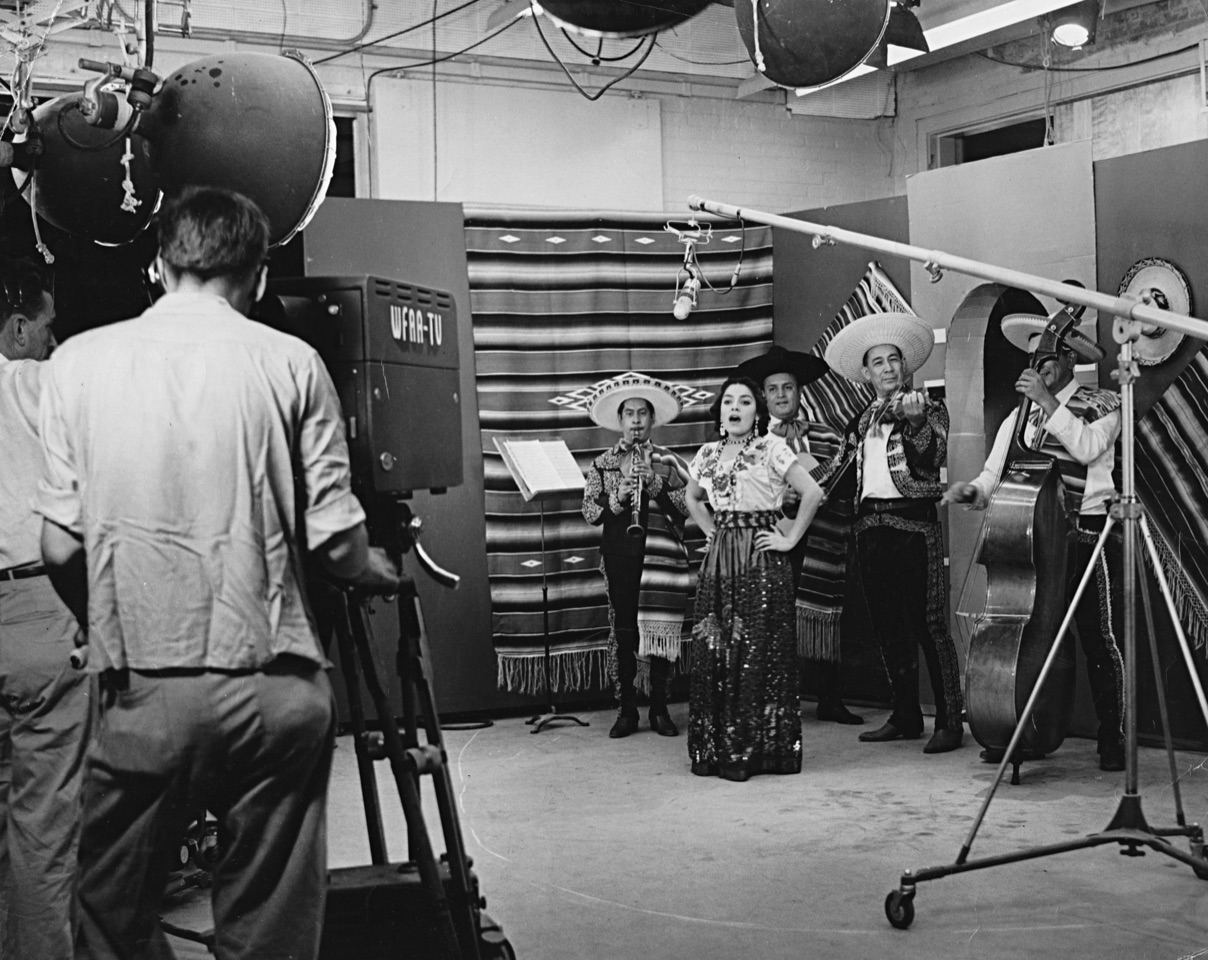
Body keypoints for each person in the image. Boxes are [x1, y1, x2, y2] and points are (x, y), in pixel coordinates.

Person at [34, 187, 400, 960]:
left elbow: (60, 547)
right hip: (274, 685)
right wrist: (376, 563)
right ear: (259, 276)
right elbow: (338, 547)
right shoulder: (292, 363)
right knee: (269, 921)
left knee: (111, 915)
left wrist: (100, 625)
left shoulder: (76, 365)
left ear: (159, 266)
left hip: (142, 688)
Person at [944, 309, 1124, 772]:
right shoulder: (1016, 416)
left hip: (1087, 536)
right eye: (1033, 355)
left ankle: (1114, 735)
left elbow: (1084, 447)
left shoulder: (1103, 403)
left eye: (1046, 355)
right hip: (1033, 541)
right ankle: (1017, 727)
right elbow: (994, 472)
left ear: (1067, 359)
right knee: (1030, 637)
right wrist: (975, 492)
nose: (1037, 363)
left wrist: (1048, 402)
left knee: (1099, 637)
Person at [816, 312, 965, 754]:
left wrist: (916, 424)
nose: (887, 369)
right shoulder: (860, 419)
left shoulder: (928, 408)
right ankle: (905, 716)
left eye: (894, 360)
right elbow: (838, 469)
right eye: (878, 362)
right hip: (869, 529)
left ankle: (950, 721)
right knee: (887, 627)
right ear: (866, 373)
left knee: (930, 624)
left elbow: (931, 454)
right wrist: (794, 487)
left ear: (906, 366)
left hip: (914, 525)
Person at [0, 261, 91, 960]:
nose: (55, 342)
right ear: (19, 327)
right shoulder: (41, 385)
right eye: (49, 327)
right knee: (42, 829)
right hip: (35, 612)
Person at [684, 376, 824, 780]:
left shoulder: (771, 448)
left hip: (761, 557)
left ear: (757, 412)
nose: (736, 408)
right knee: (717, 648)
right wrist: (710, 530)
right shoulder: (708, 452)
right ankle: (718, 749)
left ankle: (758, 751)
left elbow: (812, 492)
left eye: (745, 401)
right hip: (721, 559)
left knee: (758, 651)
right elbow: (693, 497)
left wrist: (791, 538)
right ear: (720, 411)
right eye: (729, 401)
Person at [736, 345, 863, 725]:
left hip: (822, 537)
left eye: (787, 388)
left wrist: (821, 494)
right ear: (763, 396)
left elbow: (846, 483)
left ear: (799, 392)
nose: (780, 395)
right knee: (773, 616)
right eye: (773, 389)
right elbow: (739, 491)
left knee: (825, 612)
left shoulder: (827, 437)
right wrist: (781, 496)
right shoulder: (751, 441)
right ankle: (777, 697)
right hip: (773, 539)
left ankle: (830, 698)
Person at [582, 373, 693, 738]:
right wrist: (621, 494)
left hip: (660, 559)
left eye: (642, 413)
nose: (635, 420)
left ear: (652, 419)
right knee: (626, 632)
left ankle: (660, 708)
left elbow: (687, 506)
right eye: (628, 413)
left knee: (660, 630)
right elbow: (590, 512)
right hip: (620, 556)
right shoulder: (602, 464)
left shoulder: (668, 460)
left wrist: (656, 483)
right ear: (619, 420)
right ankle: (626, 709)